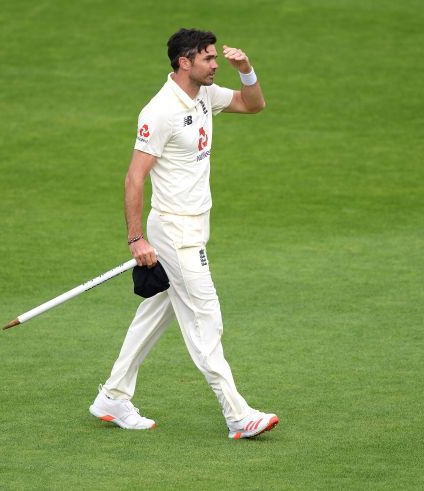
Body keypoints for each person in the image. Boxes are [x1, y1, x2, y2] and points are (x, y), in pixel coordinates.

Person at [89, 28, 278, 439]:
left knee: (156, 313)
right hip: (175, 231)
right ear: (183, 62)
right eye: (208, 58)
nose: (215, 64)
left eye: (215, 57)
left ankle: (113, 395)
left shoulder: (204, 95)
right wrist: (136, 239)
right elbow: (134, 179)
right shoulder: (159, 111)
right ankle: (238, 414)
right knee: (205, 317)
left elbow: (253, 104)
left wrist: (246, 69)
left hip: (194, 226)